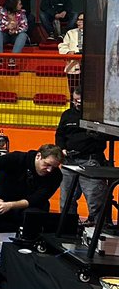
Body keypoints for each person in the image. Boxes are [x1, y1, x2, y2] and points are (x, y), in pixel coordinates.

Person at [0, 146, 64, 289]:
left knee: (36, 216)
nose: (49, 170)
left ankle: (27, 260)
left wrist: (10, 205)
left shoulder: (55, 176)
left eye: (53, 167)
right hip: (1, 199)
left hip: (25, 205)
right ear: (38, 157)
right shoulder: (16, 158)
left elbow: (37, 198)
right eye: (47, 165)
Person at [56, 90, 113, 228]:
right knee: (66, 201)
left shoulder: (99, 115)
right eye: (75, 100)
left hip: (90, 161)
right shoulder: (67, 115)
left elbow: (108, 135)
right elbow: (59, 134)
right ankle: (68, 229)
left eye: (80, 101)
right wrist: (62, 148)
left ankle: (99, 231)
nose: (77, 103)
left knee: (95, 200)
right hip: (69, 161)